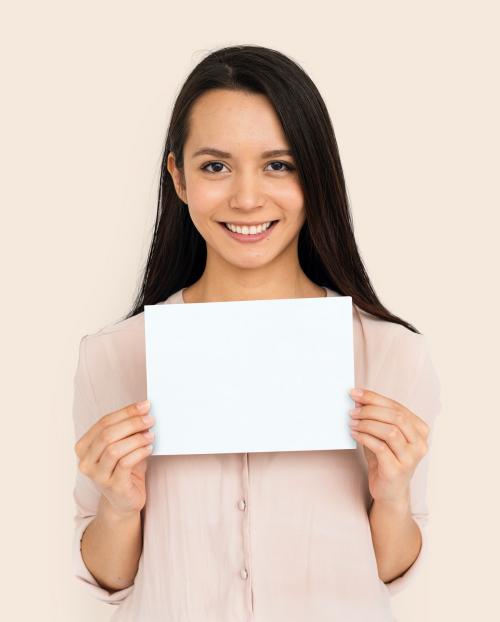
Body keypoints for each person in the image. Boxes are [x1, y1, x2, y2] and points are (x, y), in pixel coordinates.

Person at [71, 44, 441, 621]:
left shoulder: (392, 354)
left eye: (279, 164)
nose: (247, 198)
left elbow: (389, 574)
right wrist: (119, 508)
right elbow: (111, 578)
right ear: (179, 175)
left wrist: (392, 494)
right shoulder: (113, 357)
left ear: (315, 175)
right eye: (215, 166)